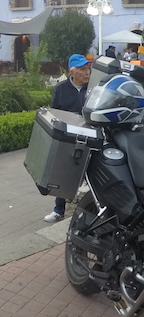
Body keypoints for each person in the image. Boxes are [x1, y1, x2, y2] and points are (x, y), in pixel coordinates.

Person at [45, 53, 92, 223]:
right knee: (63, 173)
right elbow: (55, 114)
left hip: (90, 137)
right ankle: (59, 210)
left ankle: (93, 210)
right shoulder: (60, 89)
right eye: (82, 69)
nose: (87, 72)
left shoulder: (93, 88)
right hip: (69, 138)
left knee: (93, 173)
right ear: (72, 72)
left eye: (88, 68)